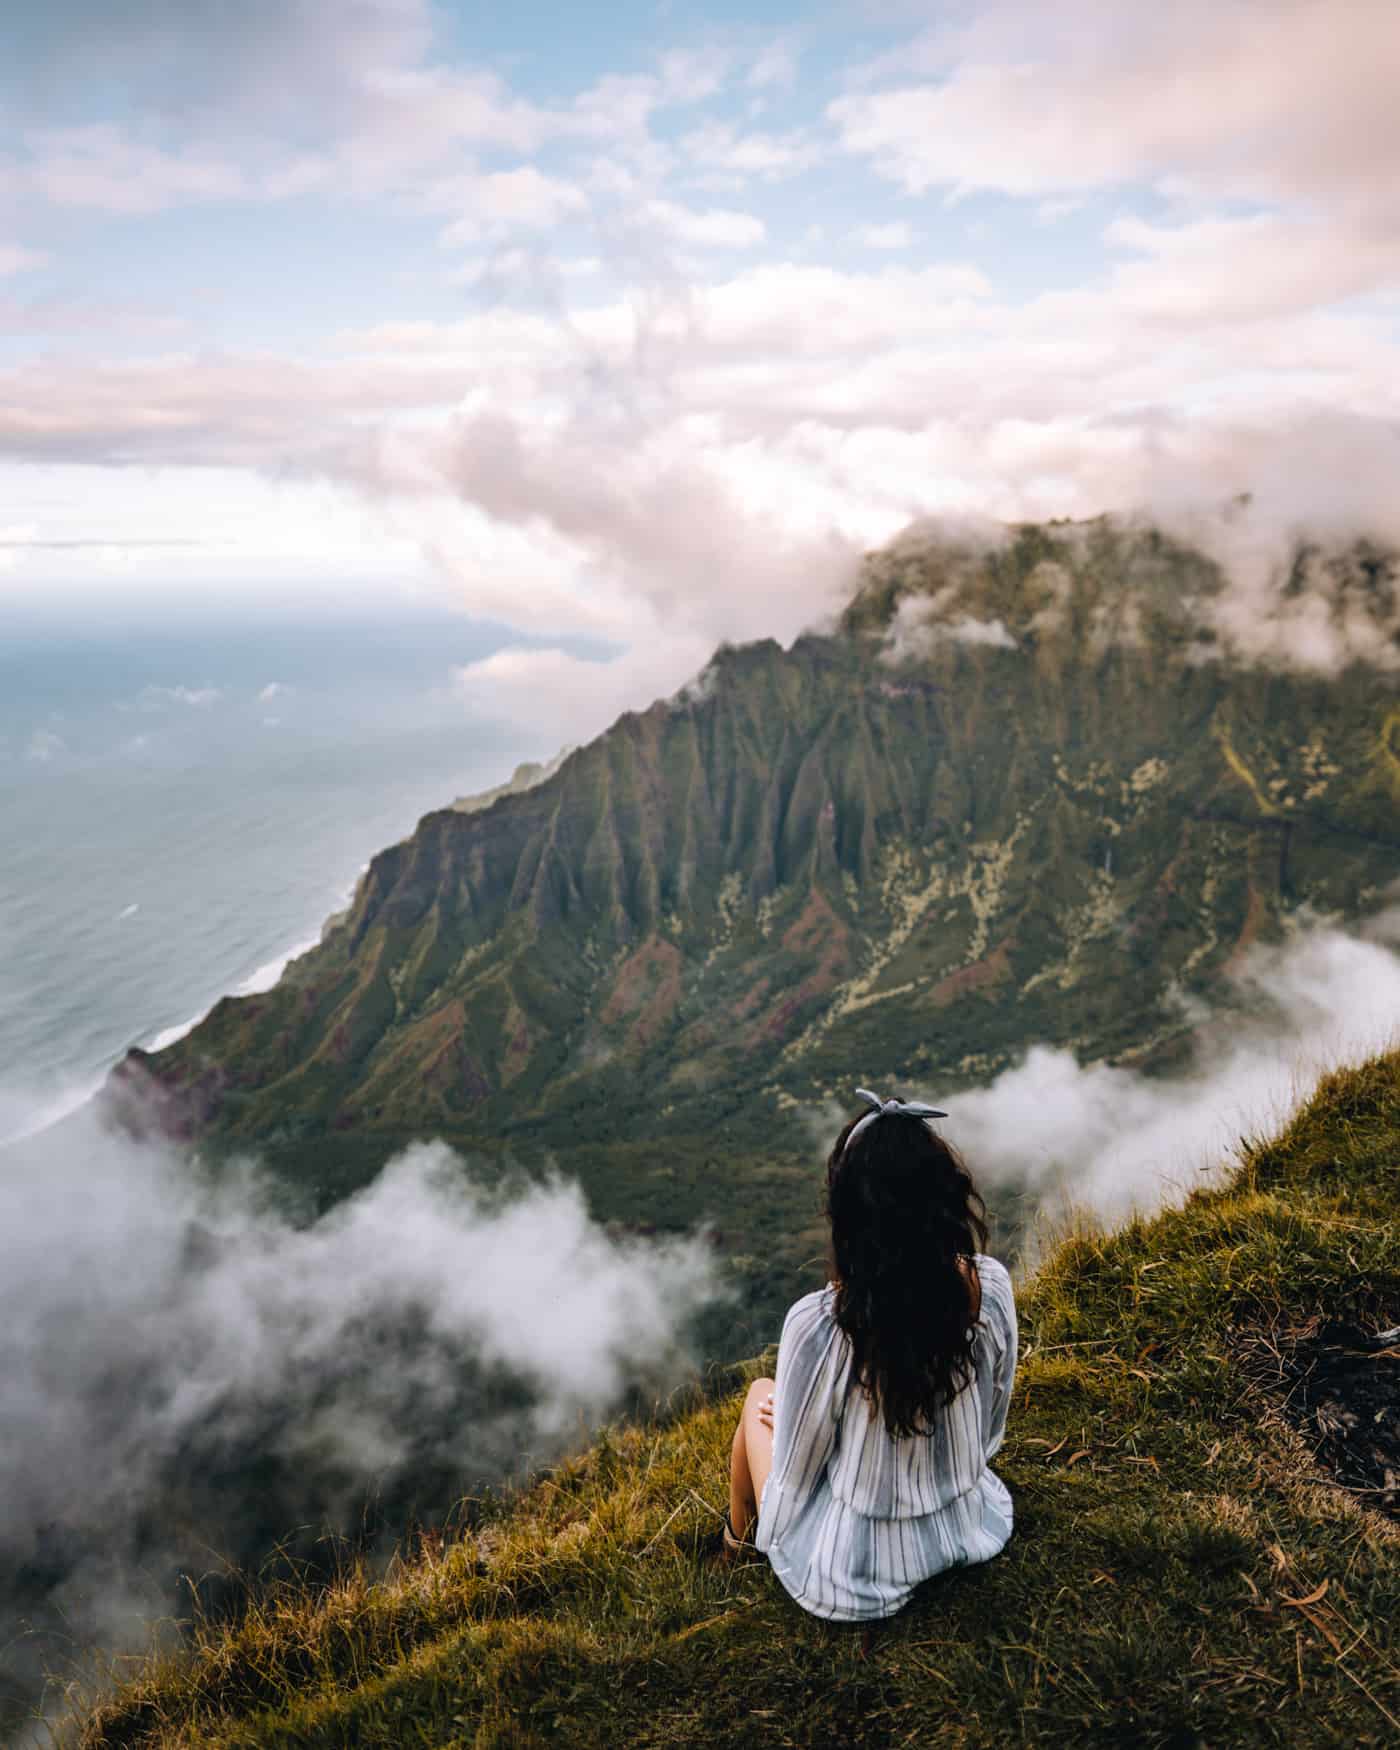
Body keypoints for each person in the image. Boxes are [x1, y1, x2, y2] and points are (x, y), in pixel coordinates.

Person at [723, 1088, 1018, 1622]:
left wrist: (783, 1526)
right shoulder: (989, 1288)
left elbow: (795, 1478)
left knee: (758, 1398)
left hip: (857, 1572)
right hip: (968, 1526)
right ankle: (732, 1541)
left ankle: (732, 1544)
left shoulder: (824, 1326)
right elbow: (991, 1429)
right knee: (771, 1406)